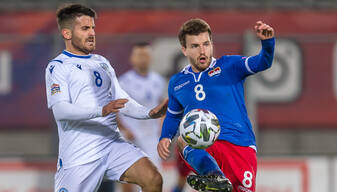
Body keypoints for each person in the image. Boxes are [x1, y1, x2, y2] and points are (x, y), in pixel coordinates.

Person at [45, 4, 167, 192]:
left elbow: (121, 100)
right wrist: (101, 110)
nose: (92, 33)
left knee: (153, 178)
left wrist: (149, 113)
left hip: (111, 144)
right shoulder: (58, 67)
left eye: (93, 27)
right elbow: (60, 111)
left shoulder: (101, 62)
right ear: (67, 34)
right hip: (79, 155)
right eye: (85, 28)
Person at [157, 18, 275, 192]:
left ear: (212, 44)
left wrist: (267, 43)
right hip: (205, 145)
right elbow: (174, 115)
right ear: (184, 50)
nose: (202, 50)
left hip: (239, 144)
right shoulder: (177, 82)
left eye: (206, 44)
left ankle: (216, 180)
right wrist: (165, 137)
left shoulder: (229, 65)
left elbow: (262, 62)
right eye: (195, 46)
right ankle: (214, 176)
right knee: (183, 139)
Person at [117, 42, 166, 192]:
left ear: (150, 58)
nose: (143, 59)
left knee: (154, 178)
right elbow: (115, 110)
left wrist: (162, 128)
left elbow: (163, 106)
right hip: (129, 137)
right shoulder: (124, 81)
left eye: (145, 55)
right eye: (139, 55)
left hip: (150, 137)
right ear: (133, 59)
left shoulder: (158, 81)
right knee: (126, 178)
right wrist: (124, 129)